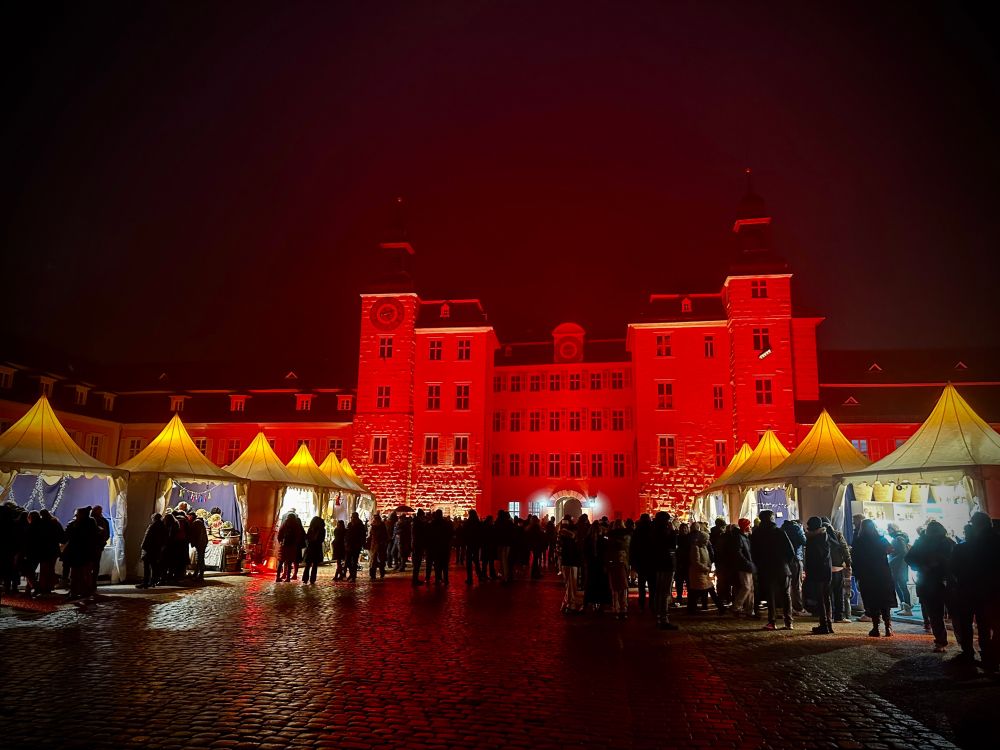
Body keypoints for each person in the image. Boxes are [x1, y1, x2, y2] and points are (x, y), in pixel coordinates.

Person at [950, 511, 999, 670]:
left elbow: (954, 569)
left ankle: (969, 653)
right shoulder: (995, 542)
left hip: (968, 590)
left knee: (967, 623)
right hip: (991, 591)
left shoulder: (965, 547)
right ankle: (988, 655)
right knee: (986, 624)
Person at [904, 519, 955, 652]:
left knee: (936, 614)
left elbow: (909, 558)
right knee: (948, 614)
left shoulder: (923, 542)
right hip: (942, 582)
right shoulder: (947, 542)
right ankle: (958, 643)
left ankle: (942, 642)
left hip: (931, 582)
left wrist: (922, 566)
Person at [851, 518, 897, 637]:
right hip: (882, 573)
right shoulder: (880, 538)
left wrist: (857, 574)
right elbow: (891, 549)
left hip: (867, 575)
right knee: (884, 600)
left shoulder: (859, 541)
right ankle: (888, 627)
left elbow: (854, 559)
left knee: (872, 601)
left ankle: (875, 628)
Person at [751, 510, 795, 631]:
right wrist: (786, 563)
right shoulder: (780, 532)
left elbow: (753, 553)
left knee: (770, 596)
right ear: (771, 518)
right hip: (782, 568)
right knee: (785, 595)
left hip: (766, 569)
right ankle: (788, 621)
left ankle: (772, 621)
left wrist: (759, 565)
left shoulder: (756, 534)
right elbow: (791, 551)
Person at [804, 516, 834, 634]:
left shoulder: (815, 539)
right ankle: (828, 624)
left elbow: (815, 557)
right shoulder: (824, 536)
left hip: (818, 572)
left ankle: (824, 624)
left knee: (821, 598)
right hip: (826, 571)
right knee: (826, 598)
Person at [650, 511, 678, 630]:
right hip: (666, 564)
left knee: (658, 592)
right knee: (665, 592)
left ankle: (658, 616)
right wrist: (673, 532)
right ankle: (663, 618)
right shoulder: (665, 531)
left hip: (656, 564)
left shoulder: (653, 530)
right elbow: (672, 545)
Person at [688, 528, 726, 614]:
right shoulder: (695, 548)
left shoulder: (704, 547)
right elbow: (696, 562)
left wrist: (708, 567)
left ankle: (721, 607)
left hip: (704, 573)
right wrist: (706, 568)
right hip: (697, 574)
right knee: (700, 591)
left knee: (707, 590)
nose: (707, 541)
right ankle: (720, 607)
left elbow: (707, 559)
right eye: (706, 539)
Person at [62, 507, 97, 599]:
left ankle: (74, 592)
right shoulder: (91, 523)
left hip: (76, 552)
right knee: (85, 573)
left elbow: (65, 537)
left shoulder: (74, 525)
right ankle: (85, 591)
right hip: (87, 552)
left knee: (75, 574)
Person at [826, 518, 853, 623]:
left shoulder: (818, 536)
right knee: (838, 593)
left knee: (826, 594)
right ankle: (839, 616)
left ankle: (827, 615)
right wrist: (848, 563)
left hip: (825, 569)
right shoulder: (837, 534)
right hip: (838, 568)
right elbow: (845, 549)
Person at [629, 514, 655, 614]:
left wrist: (633, 562)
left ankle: (641, 603)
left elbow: (633, 547)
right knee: (652, 585)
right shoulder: (653, 530)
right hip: (651, 561)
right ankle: (652, 604)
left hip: (641, 561)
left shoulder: (637, 531)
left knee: (641, 585)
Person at [886, 523, 913, 617]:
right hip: (898, 566)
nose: (888, 531)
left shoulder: (899, 538)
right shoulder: (898, 538)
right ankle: (904, 605)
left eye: (889, 529)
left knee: (902, 586)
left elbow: (903, 552)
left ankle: (907, 606)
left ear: (893, 529)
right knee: (898, 585)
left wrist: (892, 561)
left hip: (900, 566)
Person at [730, 520, 756, 617]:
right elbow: (738, 552)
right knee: (746, 587)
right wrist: (746, 561)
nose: (750, 527)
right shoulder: (740, 537)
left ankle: (749, 609)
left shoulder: (745, 537)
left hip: (748, 565)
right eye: (749, 526)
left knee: (750, 588)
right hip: (744, 566)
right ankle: (736, 607)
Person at [583, 521, 611, 612]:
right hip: (601, 565)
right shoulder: (603, 540)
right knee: (601, 584)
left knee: (591, 584)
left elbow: (585, 553)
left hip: (591, 565)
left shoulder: (587, 540)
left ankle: (589, 602)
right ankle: (602, 603)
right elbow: (606, 553)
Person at [606, 519, 630, 619]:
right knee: (623, 587)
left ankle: (617, 607)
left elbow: (607, 551)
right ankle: (623, 608)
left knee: (615, 587)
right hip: (623, 563)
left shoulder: (610, 537)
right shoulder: (626, 537)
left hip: (614, 563)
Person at [782, 519, 807, 615]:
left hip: (785, 560)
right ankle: (798, 608)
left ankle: (788, 608)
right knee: (797, 585)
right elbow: (804, 541)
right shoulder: (797, 528)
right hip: (796, 558)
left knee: (786, 585)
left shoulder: (782, 528)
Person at [36, 509, 64, 594]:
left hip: (43, 549)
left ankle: (43, 586)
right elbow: (62, 536)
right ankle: (49, 586)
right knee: (50, 568)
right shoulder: (55, 523)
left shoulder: (40, 523)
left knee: (44, 568)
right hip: (53, 548)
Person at [558, 517, 582, 614]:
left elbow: (559, 549)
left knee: (569, 584)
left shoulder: (562, 535)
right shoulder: (572, 535)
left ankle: (567, 603)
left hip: (566, 561)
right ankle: (570, 604)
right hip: (572, 561)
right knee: (572, 585)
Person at [136, 513, 166, 589]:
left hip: (149, 548)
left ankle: (146, 582)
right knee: (154, 565)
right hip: (157, 549)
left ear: (154, 518)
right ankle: (153, 581)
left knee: (146, 566)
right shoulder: (163, 526)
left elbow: (147, 537)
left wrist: (143, 546)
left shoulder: (153, 526)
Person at [276, 512, 305, 583]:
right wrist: (295, 543)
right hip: (292, 546)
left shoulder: (285, 524)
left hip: (283, 546)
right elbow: (298, 535)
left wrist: (280, 542)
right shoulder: (296, 525)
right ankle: (288, 578)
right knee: (289, 563)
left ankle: (278, 577)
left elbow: (280, 534)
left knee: (281, 562)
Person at [90, 505, 110, 594]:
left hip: (90, 546)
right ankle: (93, 582)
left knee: (88, 565)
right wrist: (102, 543)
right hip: (99, 546)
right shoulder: (104, 521)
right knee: (96, 565)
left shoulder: (90, 521)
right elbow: (107, 535)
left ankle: (88, 582)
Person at [301, 516, 325, 585]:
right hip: (317, 548)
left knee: (308, 564)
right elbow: (322, 539)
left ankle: (305, 579)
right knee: (314, 565)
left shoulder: (311, 529)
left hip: (311, 548)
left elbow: (307, 538)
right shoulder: (322, 530)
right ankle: (312, 579)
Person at [464, 509, 484, 584]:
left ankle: (470, 578)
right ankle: (480, 576)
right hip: (476, 544)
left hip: (469, 544)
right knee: (476, 561)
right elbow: (481, 534)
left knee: (469, 562)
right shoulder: (478, 523)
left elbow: (464, 533)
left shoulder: (467, 523)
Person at [187, 512, 209, 581]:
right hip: (201, 542)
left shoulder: (196, 522)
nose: (188, 518)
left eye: (189, 516)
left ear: (191, 516)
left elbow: (197, 534)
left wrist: (195, 542)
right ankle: (197, 573)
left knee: (200, 558)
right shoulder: (198, 522)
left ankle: (200, 574)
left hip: (200, 543)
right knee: (199, 558)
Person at [345, 512, 366, 582]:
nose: (352, 519)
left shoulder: (360, 526)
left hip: (356, 546)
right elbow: (347, 534)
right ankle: (352, 574)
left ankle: (353, 576)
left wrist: (362, 544)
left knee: (354, 561)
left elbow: (362, 536)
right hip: (349, 545)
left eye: (353, 517)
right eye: (352, 517)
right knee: (347, 561)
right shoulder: (350, 524)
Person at [410, 509, 429, 585]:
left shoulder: (415, 522)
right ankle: (415, 580)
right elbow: (420, 535)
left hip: (416, 545)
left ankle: (415, 579)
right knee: (417, 564)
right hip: (418, 545)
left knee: (416, 564)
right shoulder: (418, 523)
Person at [674, 522, 691, 606]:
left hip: (688, 563)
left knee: (689, 583)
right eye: (682, 528)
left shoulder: (689, 538)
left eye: (685, 528)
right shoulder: (677, 538)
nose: (684, 530)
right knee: (679, 583)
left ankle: (689, 599)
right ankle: (679, 598)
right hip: (679, 563)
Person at [368, 514, 388, 580]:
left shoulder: (382, 526)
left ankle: (381, 573)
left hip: (380, 545)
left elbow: (385, 536)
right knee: (373, 561)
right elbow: (370, 536)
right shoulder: (373, 526)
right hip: (374, 545)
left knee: (381, 560)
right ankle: (372, 575)